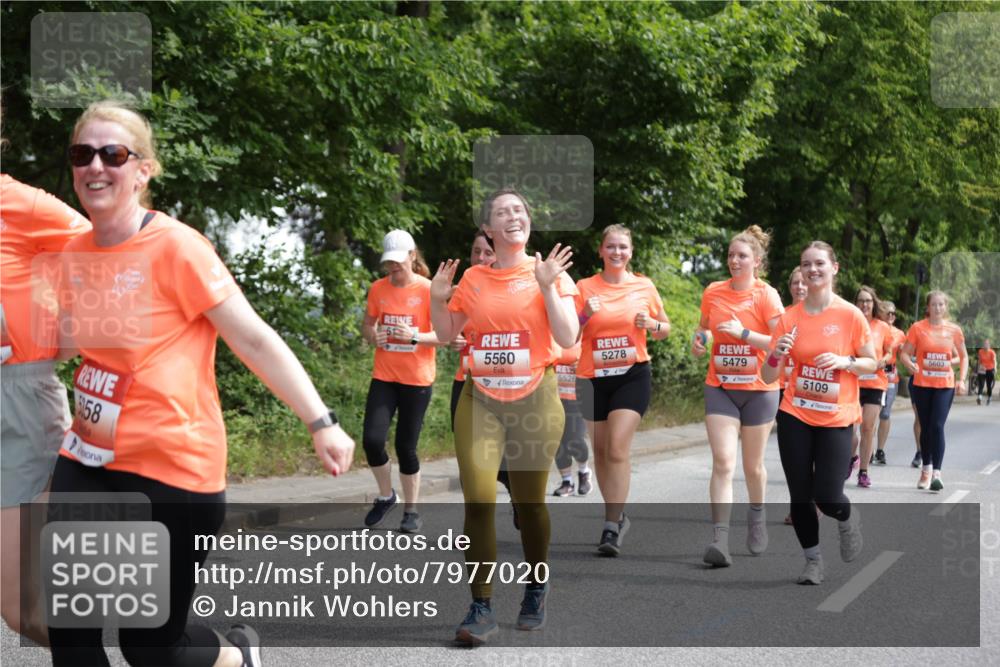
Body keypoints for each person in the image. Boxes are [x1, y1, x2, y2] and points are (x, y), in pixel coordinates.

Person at [48, 101, 354, 667]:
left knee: (150, 649)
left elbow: (253, 339)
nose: (95, 166)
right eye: (82, 153)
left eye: (113, 154)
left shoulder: (177, 247)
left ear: (143, 170)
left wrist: (321, 422)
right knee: (72, 633)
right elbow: (70, 343)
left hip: (172, 466)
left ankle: (236, 656)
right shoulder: (73, 254)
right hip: (88, 457)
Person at [430, 188, 578, 644]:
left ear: (528, 220)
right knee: (478, 500)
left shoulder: (549, 272)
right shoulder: (473, 278)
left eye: (519, 210)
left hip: (536, 397)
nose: (513, 216)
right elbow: (447, 334)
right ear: (488, 229)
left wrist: (548, 285)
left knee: (530, 504)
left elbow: (568, 336)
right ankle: (481, 606)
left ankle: (536, 585)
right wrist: (437, 299)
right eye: (502, 212)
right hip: (481, 399)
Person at [1, 172, 90, 646]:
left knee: (25, 612)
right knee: (22, 614)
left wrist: (66, 326)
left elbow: (109, 250)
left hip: (18, 402)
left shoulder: (22, 204)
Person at [762, 241, 874, 585]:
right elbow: (767, 375)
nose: (812, 269)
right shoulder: (789, 319)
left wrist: (846, 361)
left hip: (836, 417)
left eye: (820, 263)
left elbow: (871, 363)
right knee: (800, 496)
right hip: (795, 412)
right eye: (806, 264)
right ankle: (813, 562)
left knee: (827, 495)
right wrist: (776, 354)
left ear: (834, 268)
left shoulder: (850, 315)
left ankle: (847, 517)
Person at [692, 226, 782, 567]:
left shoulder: (766, 295)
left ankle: (757, 515)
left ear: (756, 261)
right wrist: (700, 340)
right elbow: (704, 327)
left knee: (752, 466)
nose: (734, 260)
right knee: (723, 462)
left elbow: (780, 343)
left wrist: (744, 333)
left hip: (759, 390)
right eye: (731, 255)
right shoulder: (713, 291)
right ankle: (720, 539)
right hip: (721, 387)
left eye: (742, 255)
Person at [576, 224, 669, 555]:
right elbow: (569, 333)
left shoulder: (644, 286)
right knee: (601, 452)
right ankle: (615, 515)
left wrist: (653, 324)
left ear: (631, 252)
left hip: (632, 375)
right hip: (592, 378)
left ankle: (611, 525)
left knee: (616, 448)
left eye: (623, 247)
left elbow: (664, 328)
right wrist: (585, 314)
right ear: (601, 251)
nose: (617, 252)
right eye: (611, 246)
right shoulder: (584, 287)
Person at [361, 229, 442, 533]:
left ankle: (411, 511)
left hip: (416, 379)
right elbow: (367, 325)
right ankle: (386, 496)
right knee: (372, 440)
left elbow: (444, 335)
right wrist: (374, 336)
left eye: (398, 261)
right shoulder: (377, 289)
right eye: (389, 262)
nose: (393, 267)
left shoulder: (428, 290)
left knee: (406, 446)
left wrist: (416, 336)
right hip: (384, 375)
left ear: (412, 256)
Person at [899, 291, 968, 491]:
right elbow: (904, 354)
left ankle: (937, 473)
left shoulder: (954, 330)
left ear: (945, 307)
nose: (937, 308)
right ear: (928, 307)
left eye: (941, 305)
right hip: (922, 384)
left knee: (937, 426)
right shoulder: (918, 328)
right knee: (926, 426)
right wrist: (909, 364)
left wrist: (961, 380)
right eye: (934, 304)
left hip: (944, 385)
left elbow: (963, 357)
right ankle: (926, 469)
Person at [847, 286, 893, 487]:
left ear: (873, 303)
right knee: (849, 430)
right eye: (861, 301)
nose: (864, 304)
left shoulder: (882, 327)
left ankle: (863, 472)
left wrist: (883, 360)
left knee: (867, 428)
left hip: (875, 383)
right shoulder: (850, 324)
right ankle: (851, 458)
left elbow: (890, 352)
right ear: (855, 303)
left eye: (868, 301)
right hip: (852, 382)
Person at [781, 267, 807, 526]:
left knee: (812, 451)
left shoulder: (822, 316)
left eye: (803, 282)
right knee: (794, 453)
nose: (800, 287)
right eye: (795, 283)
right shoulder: (783, 316)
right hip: (784, 390)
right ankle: (798, 505)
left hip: (812, 392)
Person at [551, 340, 593, 497]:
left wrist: (584, 366)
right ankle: (567, 482)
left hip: (578, 398)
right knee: (556, 441)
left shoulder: (585, 339)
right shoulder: (549, 339)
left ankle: (584, 471)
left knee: (574, 439)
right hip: (553, 399)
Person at [874, 301, 906, 464]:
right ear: (880, 314)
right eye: (888, 313)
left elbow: (904, 355)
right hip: (874, 375)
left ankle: (880, 450)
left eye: (894, 313)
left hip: (891, 376)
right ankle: (868, 449)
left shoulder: (899, 334)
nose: (892, 316)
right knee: (872, 413)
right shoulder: (874, 329)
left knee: (885, 414)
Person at [976, 339, 996, 406]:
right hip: (982, 369)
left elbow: (994, 361)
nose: (985, 345)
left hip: (990, 369)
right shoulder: (980, 351)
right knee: (981, 384)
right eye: (984, 344)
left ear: (989, 345)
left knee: (988, 385)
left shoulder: (992, 352)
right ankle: (979, 397)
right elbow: (979, 361)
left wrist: (995, 369)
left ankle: (989, 397)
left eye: (987, 344)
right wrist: (979, 368)